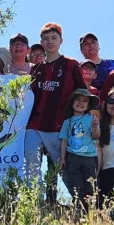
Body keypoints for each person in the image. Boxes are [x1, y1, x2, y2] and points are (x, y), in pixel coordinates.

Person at [24, 22, 86, 188]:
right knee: (31, 164)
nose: (49, 42)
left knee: (64, 167)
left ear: (61, 41)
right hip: (34, 126)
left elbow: (83, 94)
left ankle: (82, 202)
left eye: (53, 38)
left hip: (58, 127)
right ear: (41, 42)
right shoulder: (36, 69)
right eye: (45, 39)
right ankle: (33, 203)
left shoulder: (71, 65)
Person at [59, 88, 100, 215]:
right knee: (76, 186)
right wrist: (63, 158)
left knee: (90, 185)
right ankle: (80, 209)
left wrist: (94, 127)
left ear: (88, 105)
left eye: (85, 101)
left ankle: (92, 211)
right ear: (71, 103)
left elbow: (96, 136)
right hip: (73, 157)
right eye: (77, 99)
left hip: (89, 157)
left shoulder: (91, 118)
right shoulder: (67, 122)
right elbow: (64, 141)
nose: (80, 103)